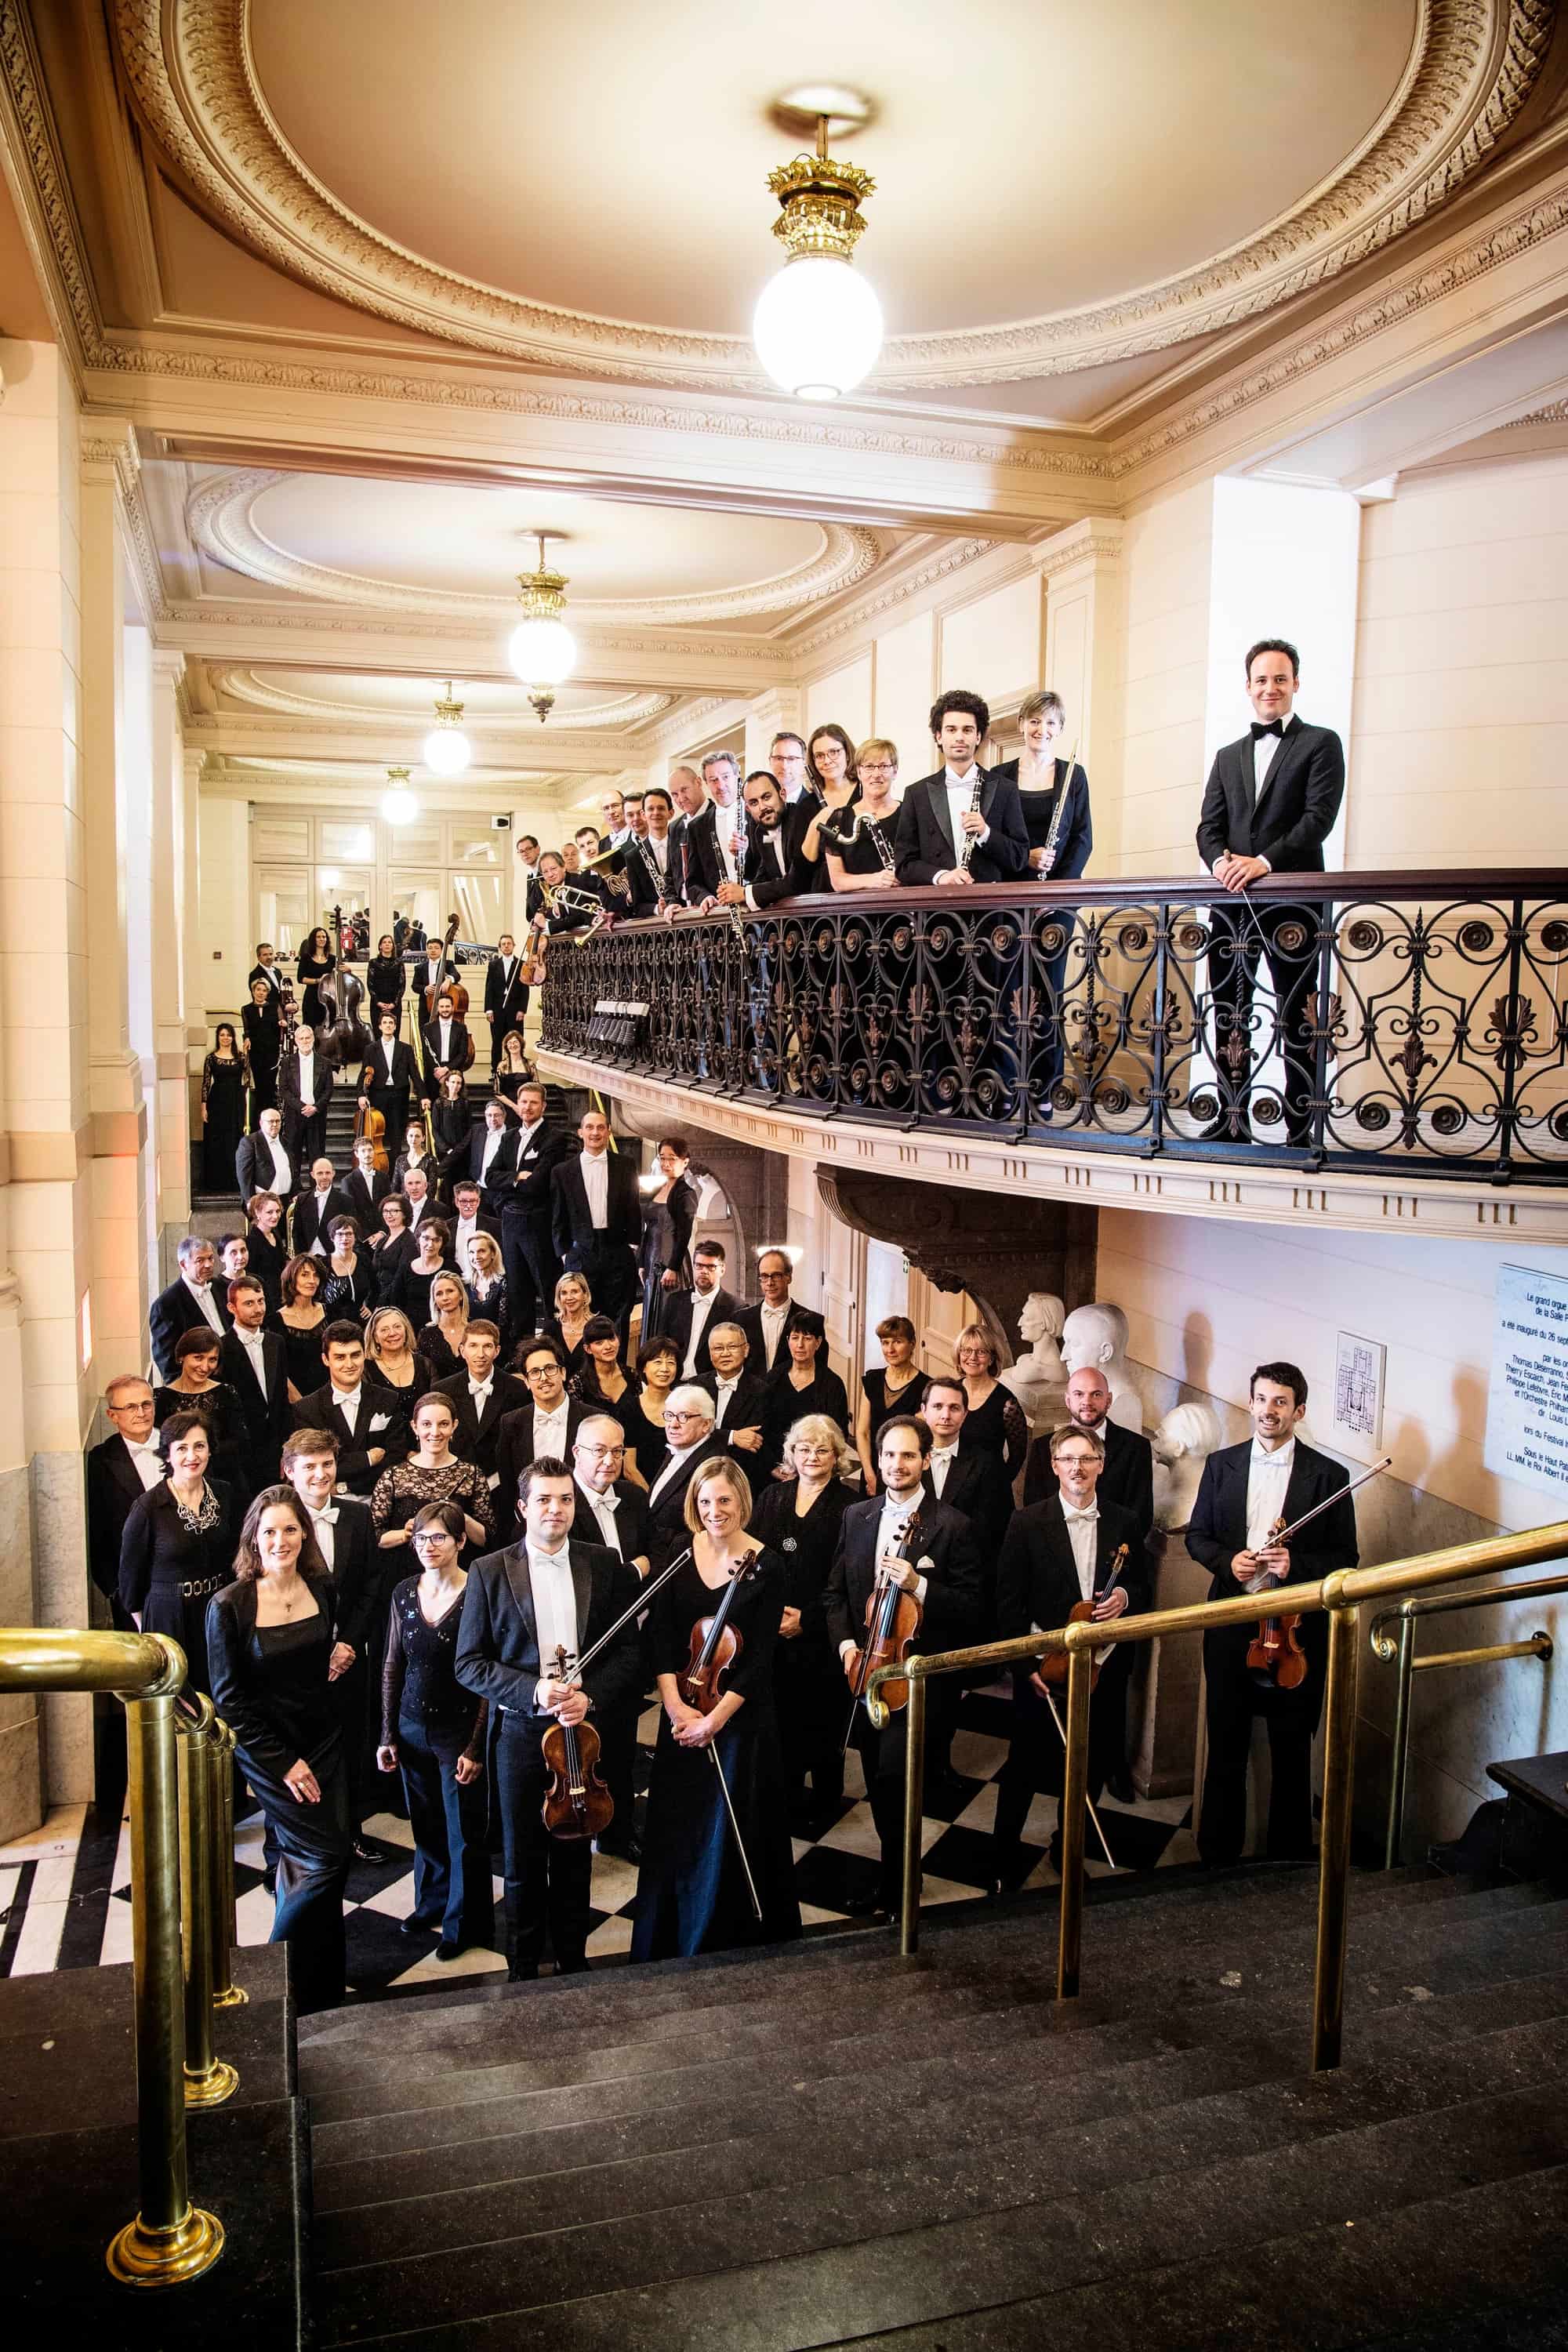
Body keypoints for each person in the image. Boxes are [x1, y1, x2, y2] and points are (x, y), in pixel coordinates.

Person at [456, 1455, 643, 1979]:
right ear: (522, 1508)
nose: (555, 1509)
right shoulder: (489, 1571)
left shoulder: (601, 1563)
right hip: (520, 1732)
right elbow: (469, 1664)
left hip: (582, 1735)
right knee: (521, 1860)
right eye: (544, 1499)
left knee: (575, 1854)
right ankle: (521, 1967)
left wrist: (592, 1697)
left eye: (565, 1499)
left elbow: (630, 1653)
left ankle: (572, 1960)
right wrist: (535, 1690)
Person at [1187, 1361, 1358, 1866]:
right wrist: (1227, 1560)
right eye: (1262, 1399)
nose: (1269, 1410)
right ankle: (1216, 1855)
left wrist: (1296, 1564)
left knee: (1292, 1750)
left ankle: (1287, 1858)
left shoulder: (1330, 1476)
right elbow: (1198, 1536)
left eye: (1281, 1402)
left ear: (1298, 1411)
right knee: (1226, 1745)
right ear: (1251, 1402)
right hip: (1231, 1624)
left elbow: (1346, 1558)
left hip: (1295, 1633)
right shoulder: (1222, 1464)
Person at [633, 1456, 801, 1959]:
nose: (714, 1511)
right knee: (678, 1825)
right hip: (682, 1711)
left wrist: (713, 1720)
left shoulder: (768, 1564)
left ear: (742, 1502)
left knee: (732, 1829)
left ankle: (728, 1936)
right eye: (705, 1501)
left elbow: (758, 1660)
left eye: (724, 1500)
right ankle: (672, 1932)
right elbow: (661, 1640)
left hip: (739, 1719)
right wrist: (676, 1709)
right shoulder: (679, 1555)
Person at [825, 1414, 981, 1918]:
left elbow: (975, 1606)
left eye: (908, 1455)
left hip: (918, 1681)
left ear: (926, 1460)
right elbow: (835, 1594)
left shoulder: (953, 1525)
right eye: (889, 1455)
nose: (897, 1464)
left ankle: (902, 1885)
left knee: (900, 1783)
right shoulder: (857, 1516)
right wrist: (848, 1644)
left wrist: (919, 1584)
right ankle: (895, 1878)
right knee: (876, 1782)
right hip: (866, 1673)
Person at [206, 1485, 354, 2011]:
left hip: (325, 1742)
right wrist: (283, 1762)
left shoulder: (321, 1585)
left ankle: (317, 1990)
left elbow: (320, 1663)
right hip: (271, 1752)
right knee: (327, 1858)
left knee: (307, 1866)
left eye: (290, 1529)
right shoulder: (229, 1606)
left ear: (304, 1534)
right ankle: (272, 1978)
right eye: (269, 1530)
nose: (280, 1539)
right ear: (253, 1538)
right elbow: (229, 1702)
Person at [1195, 637, 1346, 1145]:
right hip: (1231, 905)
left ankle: (1303, 1123)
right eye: (1261, 679)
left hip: (1293, 902)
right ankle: (1231, 1116)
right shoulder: (1227, 756)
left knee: (1296, 1009)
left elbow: (1317, 821)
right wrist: (1220, 862)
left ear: (1295, 684)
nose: (1270, 688)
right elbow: (1208, 827)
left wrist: (1262, 863)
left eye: (1280, 678)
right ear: (1248, 687)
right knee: (1228, 1008)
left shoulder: (1321, 743)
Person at [989, 1423, 1146, 1890]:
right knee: (1022, 1765)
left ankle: (1067, 1846)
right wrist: (1026, 1667)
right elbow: (1008, 1603)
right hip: (1043, 1664)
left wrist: (1127, 1599)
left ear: (1102, 1465)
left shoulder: (1125, 1521)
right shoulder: (1026, 1521)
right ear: (1054, 1467)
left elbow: (1141, 1586)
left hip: (1101, 1664)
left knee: (1090, 1763)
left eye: (1088, 1459)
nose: (1078, 1467)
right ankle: (1003, 1855)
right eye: (1068, 1460)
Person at [377, 1500, 493, 1961]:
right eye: (421, 1538)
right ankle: (431, 1902)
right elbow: (391, 1664)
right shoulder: (404, 1591)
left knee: (463, 1832)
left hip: (457, 1730)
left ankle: (464, 1923)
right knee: (425, 1827)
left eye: (439, 1537)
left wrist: (476, 1746)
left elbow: (487, 1675)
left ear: (461, 1542)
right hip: (410, 1727)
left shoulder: (478, 1593)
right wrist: (387, 1734)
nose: (428, 1546)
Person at [750, 1415, 855, 1833]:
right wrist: (772, 1613)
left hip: (822, 1630)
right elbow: (753, 1558)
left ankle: (828, 1800)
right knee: (780, 1717)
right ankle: (786, 1795)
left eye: (822, 1450)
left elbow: (847, 1575)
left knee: (823, 1718)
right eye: (803, 1449)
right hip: (772, 1626)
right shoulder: (773, 1496)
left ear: (835, 1456)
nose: (812, 1457)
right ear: (791, 1453)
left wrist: (807, 1619)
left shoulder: (850, 1506)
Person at [282, 1426, 381, 1864]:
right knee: (293, 1752)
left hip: (347, 1656)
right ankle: (283, 1852)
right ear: (290, 1472)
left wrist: (349, 1645)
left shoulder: (357, 1517)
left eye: (327, 1464)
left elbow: (369, 1588)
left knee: (350, 1745)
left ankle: (349, 1833)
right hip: (295, 1660)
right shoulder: (277, 1521)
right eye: (309, 1467)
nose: (320, 1474)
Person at [568, 1414, 652, 1859]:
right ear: (577, 1454)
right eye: (599, 1451)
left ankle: (619, 1831)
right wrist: (627, 1574)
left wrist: (637, 1567)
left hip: (627, 1640)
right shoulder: (563, 1503)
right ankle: (576, 1824)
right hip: (580, 1644)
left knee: (621, 1740)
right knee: (580, 1745)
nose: (609, 1461)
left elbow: (656, 1550)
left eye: (617, 1451)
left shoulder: (636, 1499)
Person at [118, 1410, 237, 1695]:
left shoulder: (226, 1493)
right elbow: (130, 1587)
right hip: (169, 1619)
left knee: (221, 1697)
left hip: (217, 1611)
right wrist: (152, 1638)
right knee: (180, 1707)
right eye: (182, 1448)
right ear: (168, 1455)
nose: (192, 1456)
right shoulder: (148, 1508)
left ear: (210, 1449)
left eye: (199, 1446)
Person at [893, 690, 1029, 888]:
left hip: (989, 909)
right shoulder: (917, 793)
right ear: (939, 736)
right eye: (951, 730)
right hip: (937, 912)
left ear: (978, 736)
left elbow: (1020, 857)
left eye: (967, 730)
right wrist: (941, 876)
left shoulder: (1004, 789)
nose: (959, 737)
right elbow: (904, 864)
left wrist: (986, 833)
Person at [292, 1320, 411, 1496]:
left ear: (364, 1355)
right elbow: (315, 1465)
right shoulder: (306, 1409)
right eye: (340, 1357)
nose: (349, 1364)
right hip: (326, 1499)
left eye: (355, 1355)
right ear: (326, 1359)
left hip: (379, 1495)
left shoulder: (388, 1399)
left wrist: (345, 1486)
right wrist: (368, 1458)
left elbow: (395, 1459)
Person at [551, 1107, 642, 1337]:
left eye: (601, 1127)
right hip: (581, 1252)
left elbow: (633, 1207)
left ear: (609, 1132)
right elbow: (557, 1216)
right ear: (581, 1132)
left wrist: (632, 1247)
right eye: (590, 1127)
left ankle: (618, 1369)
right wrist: (565, 1254)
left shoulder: (626, 1165)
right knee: (583, 1316)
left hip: (617, 1250)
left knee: (618, 1316)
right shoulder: (562, 1171)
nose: (595, 1132)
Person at [371, 1388, 493, 1559]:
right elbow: (374, 1537)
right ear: (415, 1427)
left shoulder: (472, 1475)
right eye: (427, 1424)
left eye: (443, 1424)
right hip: (405, 1569)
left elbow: (488, 1540)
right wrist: (404, 1534)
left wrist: (460, 1517)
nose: (435, 1433)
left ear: (454, 1426)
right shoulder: (393, 1476)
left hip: (459, 1570)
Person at [496, 1079, 572, 1341]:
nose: (527, 1107)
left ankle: (555, 1345)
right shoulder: (508, 1137)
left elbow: (539, 1184)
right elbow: (490, 1176)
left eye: (533, 1102)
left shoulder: (555, 1138)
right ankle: (523, 1349)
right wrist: (517, 1178)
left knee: (547, 1285)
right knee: (518, 1290)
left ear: (544, 1106)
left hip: (538, 1222)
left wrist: (510, 1182)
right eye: (524, 1102)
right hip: (510, 1221)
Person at [492, 1338, 588, 1543]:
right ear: (526, 1382)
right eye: (535, 1372)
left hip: (583, 1530)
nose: (544, 1377)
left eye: (550, 1369)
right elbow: (508, 1484)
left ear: (563, 1373)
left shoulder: (591, 1419)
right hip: (527, 1532)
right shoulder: (510, 1423)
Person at [87, 1375, 163, 1626]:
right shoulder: (101, 1460)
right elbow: (100, 1528)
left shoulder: (179, 1444)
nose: (141, 1413)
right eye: (130, 1407)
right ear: (112, 1415)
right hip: (133, 1584)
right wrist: (114, 1588)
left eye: (146, 1404)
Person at [995, 691, 1091, 881]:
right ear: (1021, 724)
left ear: (1060, 729)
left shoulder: (1074, 775)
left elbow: (1082, 839)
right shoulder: (999, 776)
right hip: (1009, 888)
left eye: (1051, 723)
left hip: (1058, 889)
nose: (1042, 730)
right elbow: (994, 840)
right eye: (1034, 721)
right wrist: (1024, 858)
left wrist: (1057, 894)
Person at [220, 1277, 289, 1510]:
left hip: (274, 1450)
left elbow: (280, 1401)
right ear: (232, 1308)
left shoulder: (276, 1342)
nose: (258, 1309)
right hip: (240, 1455)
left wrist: (285, 1450)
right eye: (249, 1303)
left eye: (261, 1301)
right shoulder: (222, 1348)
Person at [436, 1319, 529, 1486]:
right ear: (462, 1350)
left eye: (487, 1346)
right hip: (453, 1481)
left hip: (502, 1482)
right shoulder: (443, 1390)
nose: (480, 1354)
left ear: (497, 1351)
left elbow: (521, 1441)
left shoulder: (517, 1389)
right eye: (473, 1346)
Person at [154, 1327, 247, 1492]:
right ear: (181, 1356)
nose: (205, 1367)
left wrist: (204, 1452)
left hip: (225, 1480)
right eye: (198, 1358)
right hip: (179, 1484)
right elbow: (160, 1447)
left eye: (212, 1359)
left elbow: (240, 1441)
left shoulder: (226, 1393)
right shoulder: (161, 1399)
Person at [643, 1383, 724, 1573]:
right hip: (659, 1564)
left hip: (681, 1569)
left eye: (684, 1416)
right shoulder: (678, 1449)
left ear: (707, 1424)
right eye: (669, 1415)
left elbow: (706, 1529)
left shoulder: (713, 1466)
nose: (673, 1424)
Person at [760, 1310, 850, 1479]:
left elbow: (839, 1434)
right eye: (795, 1338)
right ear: (788, 1341)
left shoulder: (832, 1384)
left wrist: (809, 1468)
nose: (800, 1345)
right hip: (775, 1469)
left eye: (807, 1338)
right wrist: (773, 1467)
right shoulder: (772, 1379)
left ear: (818, 1343)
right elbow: (762, 1428)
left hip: (817, 1467)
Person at [716, 770, 813, 911]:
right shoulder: (760, 832)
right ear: (748, 810)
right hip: (789, 919)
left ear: (783, 795)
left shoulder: (801, 819)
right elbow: (764, 876)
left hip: (819, 913)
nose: (762, 807)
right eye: (754, 803)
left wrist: (744, 894)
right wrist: (731, 894)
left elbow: (798, 882)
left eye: (766, 797)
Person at [855, 1316, 927, 1493]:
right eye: (885, 1343)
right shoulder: (872, 1379)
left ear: (912, 1343)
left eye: (897, 1342)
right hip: (871, 1468)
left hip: (902, 1472)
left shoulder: (926, 1386)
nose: (890, 1349)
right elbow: (862, 1432)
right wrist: (869, 1474)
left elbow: (917, 1441)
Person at [637, 1137, 697, 1342]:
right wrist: (641, 1263)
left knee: (666, 1317)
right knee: (651, 1314)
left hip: (672, 1264)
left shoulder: (686, 1193)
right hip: (652, 1262)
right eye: (662, 1158)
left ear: (685, 1161)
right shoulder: (657, 1189)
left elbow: (684, 1233)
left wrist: (672, 1267)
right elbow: (648, 1229)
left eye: (672, 1159)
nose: (666, 1164)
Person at [954, 1322, 1029, 1484]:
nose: (972, 1358)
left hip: (989, 1493)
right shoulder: (951, 1392)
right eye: (966, 1350)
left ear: (991, 1359)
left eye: (981, 1352)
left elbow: (1018, 1455)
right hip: (952, 1486)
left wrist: (999, 1483)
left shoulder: (1008, 1404)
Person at [823, 739, 901, 891]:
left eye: (884, 766)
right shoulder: (839, 819)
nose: (876, 774)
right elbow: (837, 881)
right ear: (859, 772)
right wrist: (874, 880)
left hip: (901, 906)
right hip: (857, 912)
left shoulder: (909, 813)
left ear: (895, 771)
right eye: (869, 767)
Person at [149, 1235, 228, 1380]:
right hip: (200, 1385)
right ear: (183, 1264)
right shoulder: (166, 1305)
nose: (209, 1265)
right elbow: (168, 1365)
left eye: (211, 1258)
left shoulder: (219, 1287)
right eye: (200, 1260)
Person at [795, 724, 860, 891]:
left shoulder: (865, 791)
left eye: (834, 752)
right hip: (824, 894)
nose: (827, 760)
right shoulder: (807, 805)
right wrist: (817, 822)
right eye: (820, 756)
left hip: (865, 886)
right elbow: (804, 864)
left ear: (847, 753)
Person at [694, 1321, 768, 1462]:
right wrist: (732, 1437)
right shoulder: (695, 1386)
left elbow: (752, 1441)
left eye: (732, 1347)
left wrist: (711, 1435)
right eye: (718, 1348)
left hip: (739, 1467)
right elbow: (690, 1431)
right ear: (710, 1353)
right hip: (696, 1465)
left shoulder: (761, 1391)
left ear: (746, 1350)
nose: (725, 1353)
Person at [666, 1238, 739, 1379]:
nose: (704, 1271)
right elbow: (662, 1344)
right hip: (673, 1381)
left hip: (709, 1385)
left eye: (711, 1267)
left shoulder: (735, 1308)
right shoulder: (674, 1301)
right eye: (699, 1265)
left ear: (722, 1269)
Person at [270, 1252, 329, 1400]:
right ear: (291, 1279)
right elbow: (278, 1368)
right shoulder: (275, 1321)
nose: (312, 1281)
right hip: (295, 1398)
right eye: (305, 1275)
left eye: (316, 1275)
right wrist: (301, 1403)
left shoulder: (332, 1312)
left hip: (331, 1394)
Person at [735, 1247, 803, 1376]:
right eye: (764, 1276)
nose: (770, 1283)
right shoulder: (740, 1318)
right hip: (751, 1394)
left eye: (776, 1275)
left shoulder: (811, 1320)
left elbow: (818, 1372)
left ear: (789, 1277)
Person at [358, 1010, 420, 1148]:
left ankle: (395, 1167)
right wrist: (361, 1095)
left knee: (397, 1136)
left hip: (399, 1096)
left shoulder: (406, 1049)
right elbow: (363, 1074)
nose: (388, 1025)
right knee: (377, 1134)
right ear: (379, 1026)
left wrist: (424, 1096)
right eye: (384, 1023)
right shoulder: (370, 1049)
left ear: (395, 1026)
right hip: (378, 1094)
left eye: (391, 1023)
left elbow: (415, 1074)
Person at [200, 1022, 248, 1195]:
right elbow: (205, 1084)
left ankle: (235, 1181)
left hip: (236, 1101)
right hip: (217, 1101)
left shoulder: (241, 1057)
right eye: (222, 1035)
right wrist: (203, 1107)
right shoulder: (211, 1058)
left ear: (233, 1037)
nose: (225, 1038)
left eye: (229, 1035)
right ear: (218, 1037)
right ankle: (216, 1181)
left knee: (234, 1138)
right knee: (217, 1139)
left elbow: (248, 1080)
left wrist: (248, 1053)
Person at [279, 1019, 332, 1166]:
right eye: (301, 1038)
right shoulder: (287, 1062)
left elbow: (328, 1090)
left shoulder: (325, 1063)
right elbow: (283, 1089)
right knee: (293, 1155)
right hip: (295, 1115)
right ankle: (294, 1188)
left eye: (308, 1037)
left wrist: (315, 1107)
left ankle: (316, 1188)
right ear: (296, 1041)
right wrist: (302, 1107)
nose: (305, 1041)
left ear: (313, 1039)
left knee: (317, 1156)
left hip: (317, 1115)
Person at [572, 1313, 638, 1426]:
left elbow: (639, 1418)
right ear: (588, 1349)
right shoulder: (578, 1384)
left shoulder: (632, 1375)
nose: (608, 1346)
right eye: (599, 1343)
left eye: (612, 1339)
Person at [389, 1214, 452, 1330]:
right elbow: (396, 1304)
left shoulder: (451, 1268)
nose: (430, 1244)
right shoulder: (405, 1268)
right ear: (418, 1239)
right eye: (426, 1238)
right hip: (411, 1330)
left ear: (443, 1243)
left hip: (444, 1328)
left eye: (436, 1240)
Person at [630, 1336, 680, 1484]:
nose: (664, 1369)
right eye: (658, 1362)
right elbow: (629, 1468)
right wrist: (651, 1499)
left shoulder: (685, 1406)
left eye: (671, 1363)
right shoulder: (628, 1408)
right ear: (644, 1367)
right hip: (641, 1493)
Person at [450, 1098, 520, 1204]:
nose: (493, 1119)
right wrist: (440, 1168)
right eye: (489, 1115)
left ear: (504, 1116)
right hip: (480, 1188)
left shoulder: (514, 1135)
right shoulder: (477, 1130)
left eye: (497, 1115)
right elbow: (459, 1150)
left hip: (503, 1191)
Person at [363, 1305, 436, 1405]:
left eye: (397, 1327)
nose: (392, 1333)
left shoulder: (425, 1365)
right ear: (375, 1337)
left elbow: (437, 1404)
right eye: (384, 1330)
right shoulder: (366, 1369)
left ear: (406, 1330)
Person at [622, 785, 679, 913]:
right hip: (657, 927)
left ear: (671, 813)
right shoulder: (633, 856)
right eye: (650, 809)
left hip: (687, 916)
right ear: (644, 814)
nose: (656, 813)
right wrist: (657, 909)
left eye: (661, 808)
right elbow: (638, 905)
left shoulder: (683, 844)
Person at [292, 1156, 354, 1259]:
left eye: (328, 1173)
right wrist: (300, 1257)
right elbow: (297, 1232)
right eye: (320, 1173)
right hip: (307, 1256)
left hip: (334, 1256)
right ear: (312, 1175)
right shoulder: (302, 1199)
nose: (324, 1177)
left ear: (333, 1174)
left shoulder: (346, 1200)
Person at [483, 934, 529, 1068]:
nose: (506, 946)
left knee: (516, 1040)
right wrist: (489, 1009)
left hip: (515, 1008)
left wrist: (522, 1010)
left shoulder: (521, 964)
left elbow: (525, 989)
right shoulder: (493, 965)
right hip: (497, 1008)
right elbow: (489, 988)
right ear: (500, 947)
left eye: (509, 943)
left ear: (513, 946)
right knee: (497, 1041)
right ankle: (495, 1070)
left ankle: (516, 1067)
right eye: (503, 944)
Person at [419, 1267, 472, 1383]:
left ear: (461, 1295)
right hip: (440, 1397)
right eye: (439, 1294)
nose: (445, 1298)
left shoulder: (475, 1329)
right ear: (435, 1301)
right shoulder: (426, 1334)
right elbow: (423, 1375)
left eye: (450, 1291)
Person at [321, 1215, 375, 1327]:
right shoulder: (323, 1263)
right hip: (331, 1324)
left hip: (361, 1322)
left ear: (355, 1237)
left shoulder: (363, 1259)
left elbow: (376, 1288)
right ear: (332, 1237)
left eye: (349, 1234)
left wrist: (370, 1307)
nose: (345, 1238)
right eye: (340, 1234)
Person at [420, 988, 473, 1101]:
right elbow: (426, 1054)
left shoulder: (461, 1028)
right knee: (435, 1109)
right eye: (442, 1007)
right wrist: (438, 1072)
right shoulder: (428, 1028)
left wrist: (447, 1070)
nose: (445, 1009)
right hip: (434, 1075)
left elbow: (463, 1054)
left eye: (448, 1006)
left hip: (454, 1074)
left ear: (453, 1008)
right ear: (438, 1008)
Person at [237, 1106, 293, 1210]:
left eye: (278, 1121)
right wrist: (250, 1201)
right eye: (271, 1122)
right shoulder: (249, 1142)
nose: (275, 1125)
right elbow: (244, 1175)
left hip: (285, 1199)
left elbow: (292, 1168)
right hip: (262, 1201)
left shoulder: (285, 1141)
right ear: (261, 1123)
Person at [242, 978, 282, 1120]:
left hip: (272, 1052)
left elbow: (280, 1028)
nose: (261, 993)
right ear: (253, 991)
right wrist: (246, 1038)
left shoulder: (275, 1006)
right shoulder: (246, 1009)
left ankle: (272, 1118)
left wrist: (283, 1024)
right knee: (259, 1087)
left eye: (264, 991)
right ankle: (260, 1121)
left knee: (270, 1086)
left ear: (267, 993)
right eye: (258, 990)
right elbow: (247, 1030)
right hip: (256, 1053)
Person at [245, 1189, 289, 1313]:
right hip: (264, 1298)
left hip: (279, 1294)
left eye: (278, 1211)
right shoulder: (252, 1241)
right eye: (270, 1212)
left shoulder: (275, 1233)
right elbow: (251, 1274)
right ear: (258, 1213)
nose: (275, 1216)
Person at [465, 1230, 510, 1344]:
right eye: (472, 1252)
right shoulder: (464, 1285)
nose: (476, 1256)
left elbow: (505, 1325)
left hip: (499, 1345)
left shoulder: (505, 1283)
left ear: (493, 1254)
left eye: (481, 1251)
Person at [341, 1137, 391, 1234]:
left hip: (383, 1236)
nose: (367, 1154)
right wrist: (368, 1237)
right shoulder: (348, 1181)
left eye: (370, 1150)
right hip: (360, 1239)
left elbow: (389, 1206)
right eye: (363, 1151)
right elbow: (350, 1213)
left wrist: (382, 1232)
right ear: (356, 1154)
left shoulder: (384, 1178)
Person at [295, 925, 336, 1029]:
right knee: (311, 1027)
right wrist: (319, 980)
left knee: (328, 1028)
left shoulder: (332, 959)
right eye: (319, 937)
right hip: (312, 997)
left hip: (328, 998)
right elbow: (301, 978)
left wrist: (346, 970)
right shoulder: (306, 958)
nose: (322, 939)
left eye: (324, 937)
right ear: (313, 939)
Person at [430, 1070, 472, 1174]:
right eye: (453, 1082)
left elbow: (470, 1129)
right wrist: (447, 1149)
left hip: (462, 1152)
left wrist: (459, 1149)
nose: (456, 1085)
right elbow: (435, 1129)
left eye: (459, 1083)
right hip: (444, 1151)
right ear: (447, 1083)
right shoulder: (439, 1103)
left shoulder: (465, 1103)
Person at [365, 934, 406, 1035]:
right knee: (378, 1034)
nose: (387, 944)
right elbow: (370, 984)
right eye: (384, 942)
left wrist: (394, 1004)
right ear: (380, 946)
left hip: (394, 1004)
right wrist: (378, 1002)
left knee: (394, 1034)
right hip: (377, 1004)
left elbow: (402, 985)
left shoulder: (399, 963)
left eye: (389, 942)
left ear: (393, 946)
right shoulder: (373, 963)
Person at [390, 1119, 437, 1196]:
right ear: (407, 1137)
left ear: (423, 1138)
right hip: (403, 1205)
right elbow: (395, 1187)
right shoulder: (400, 1160)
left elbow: (432, 1189)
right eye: (411, 1136)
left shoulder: (430, 1160)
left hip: (423, 1205)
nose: (413, 1139)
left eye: (417, 1136)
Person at [768, 730, 815, 806]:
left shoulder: (817, 808)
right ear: (770, 761)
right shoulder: (755, 807)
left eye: (791, 759)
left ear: (804, 764)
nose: (784, 766)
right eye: (779, 758)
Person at [493, 1029, 533, 1113]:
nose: (513, 1045)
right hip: (508, 1107)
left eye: (515, 1042)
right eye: (510, 1043)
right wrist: (514, 1107)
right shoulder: (502, 1066)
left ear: (521, 1044)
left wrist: (525, 1105)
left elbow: (536, 1087)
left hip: (527, 1106)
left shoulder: (529, 1064)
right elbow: (498, 1092)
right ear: (506, 1046)